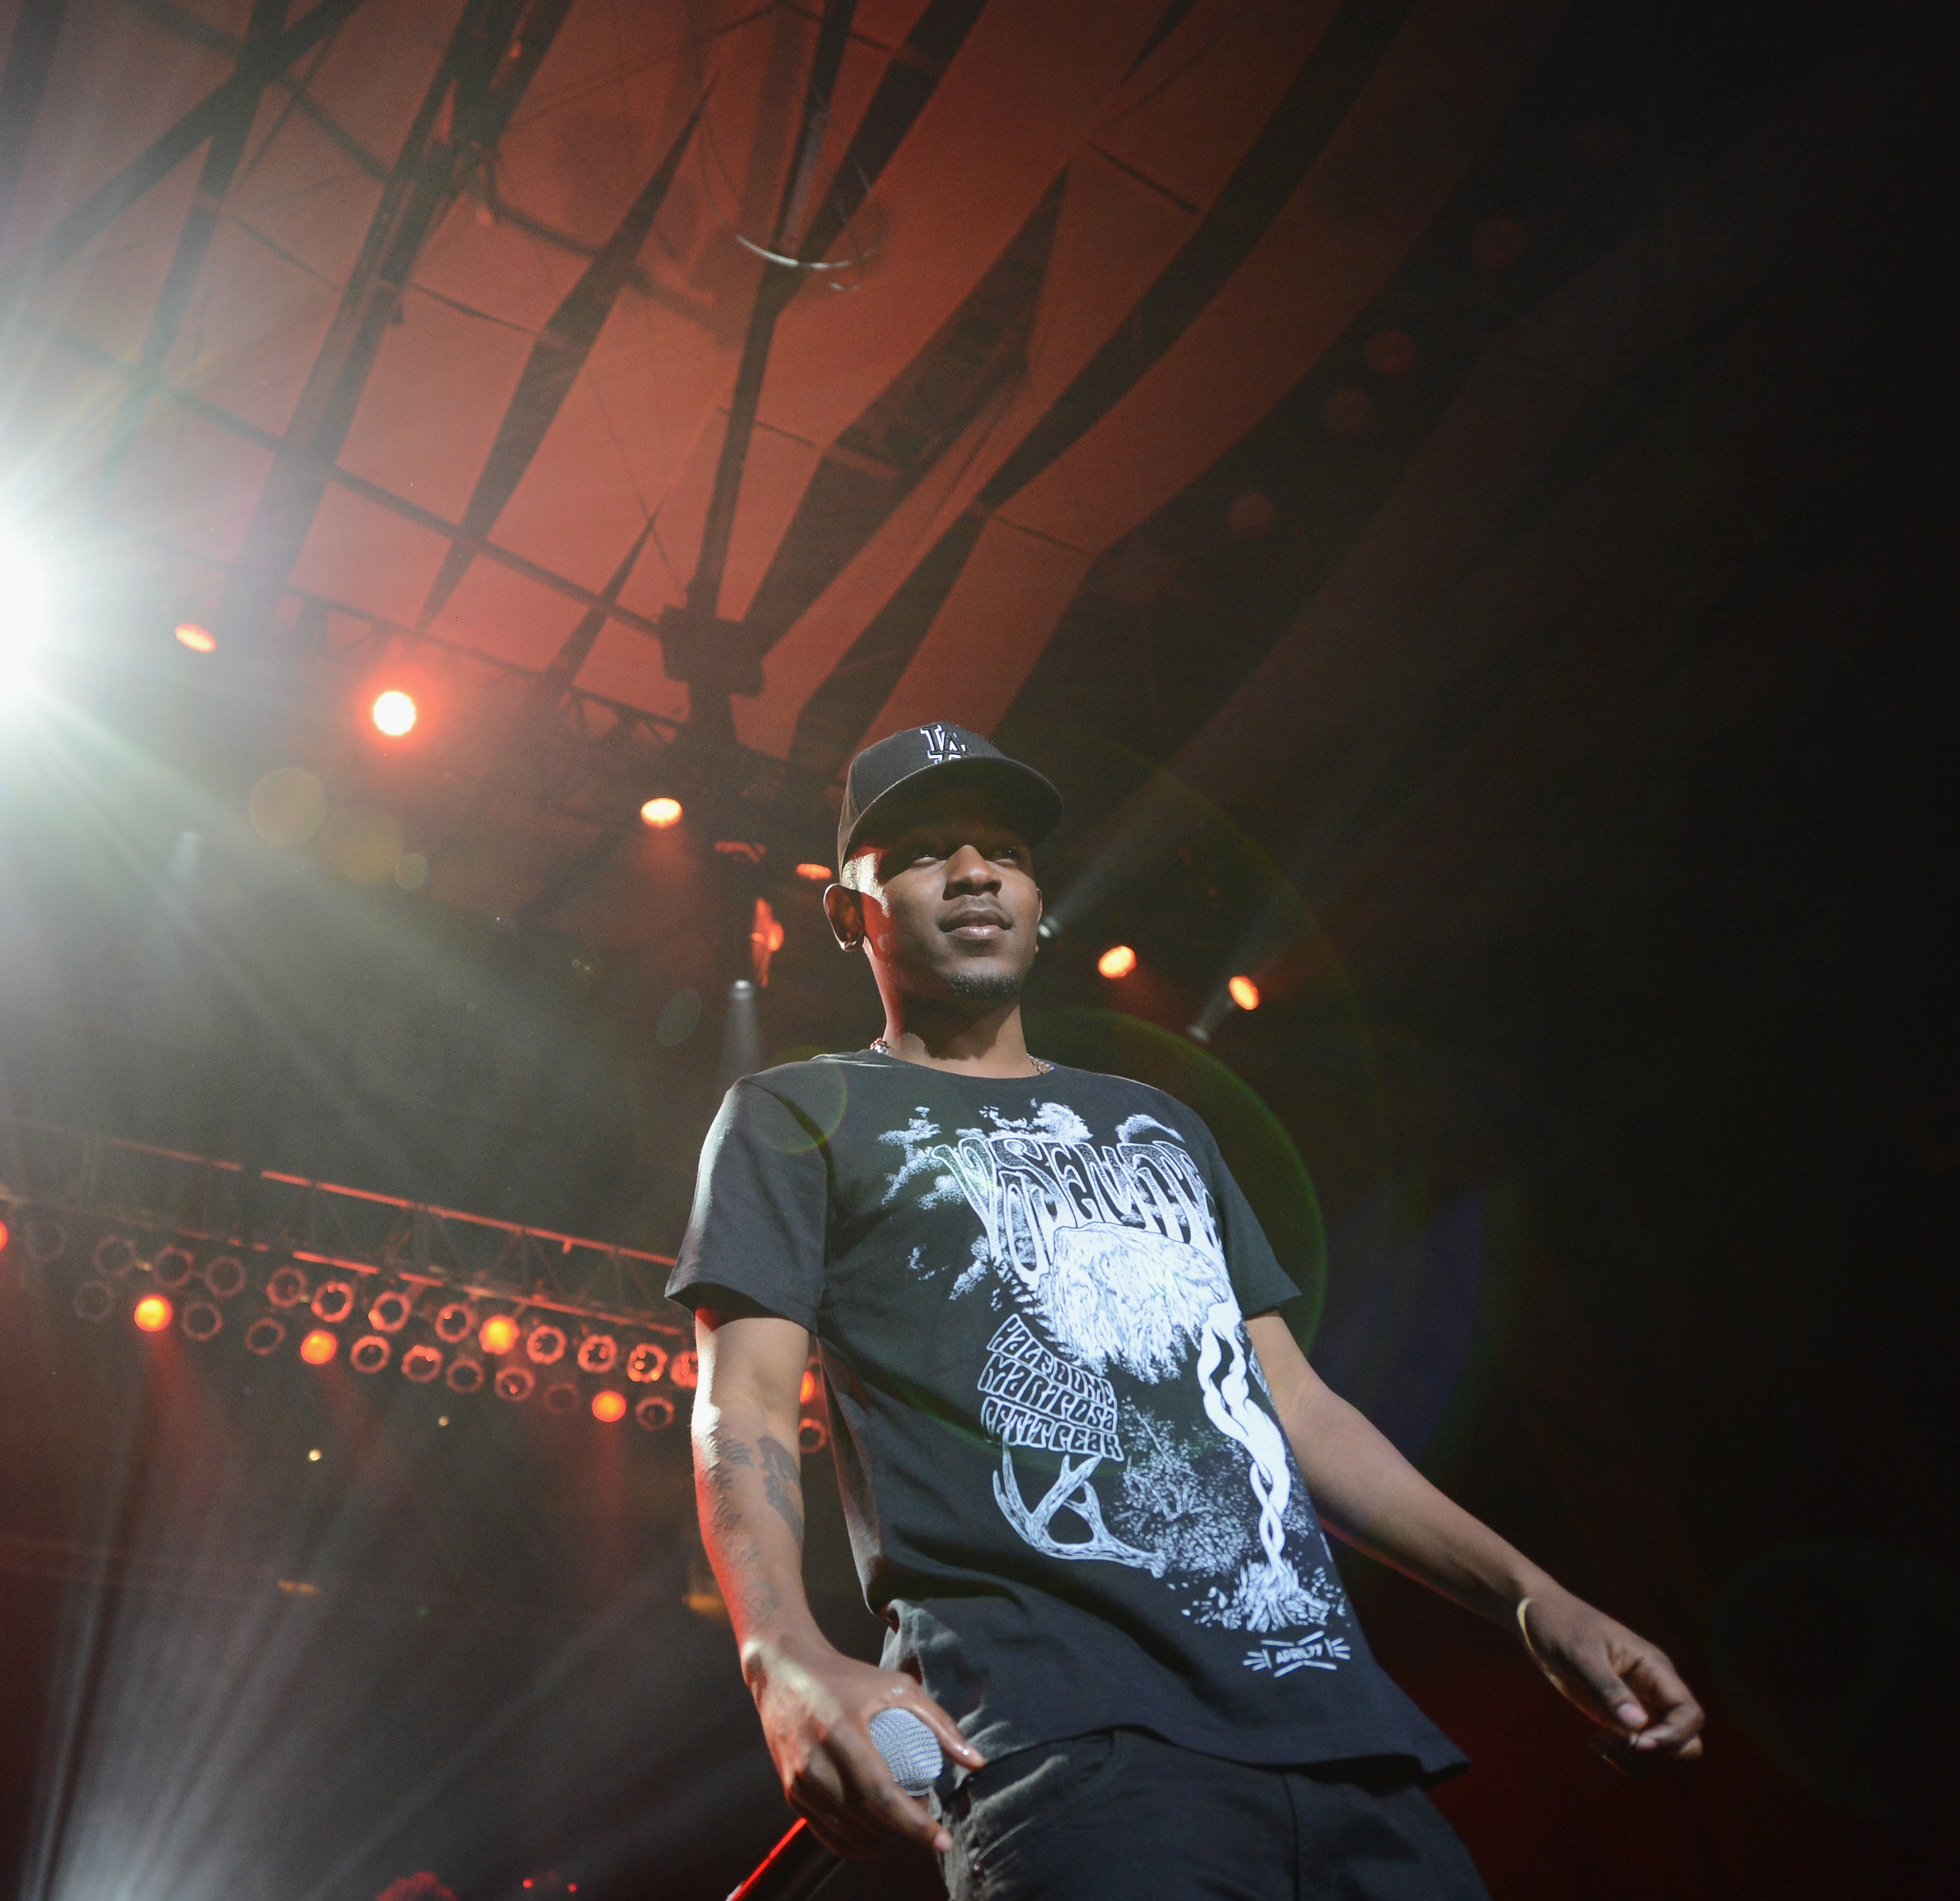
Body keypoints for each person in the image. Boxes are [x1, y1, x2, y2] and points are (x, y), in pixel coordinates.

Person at [671, 723, 1704, 1899]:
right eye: (918, 851)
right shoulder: (796, 1113)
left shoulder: (1157, 1123)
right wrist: (781, 1655)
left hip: (1340, 1738)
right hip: (1065, 1748)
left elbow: (1297, 1408)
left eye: (1002, 848)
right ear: (847, 906)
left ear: (1036, 896)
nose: (972, 872)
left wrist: (1535, 1596)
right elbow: (741, 1404)